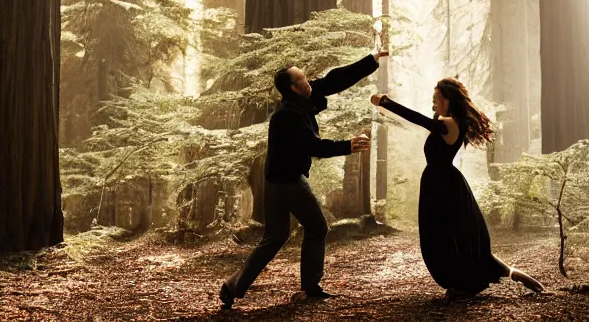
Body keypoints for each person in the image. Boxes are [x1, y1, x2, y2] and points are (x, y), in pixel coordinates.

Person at [219, 50, 388, 309]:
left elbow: (334, 80)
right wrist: (349, 146)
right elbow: (314, 146)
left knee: (274, 237)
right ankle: (310, 286)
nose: (311, 82)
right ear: (294, 88)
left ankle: (233, 287)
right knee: (317, 227)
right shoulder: (288, 116)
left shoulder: (299, 100)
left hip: (277, 183)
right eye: (305, 80)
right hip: (287, 183)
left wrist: (371, 60)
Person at [370, 78, 544, 298]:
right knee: (442, 236)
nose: (433, 105)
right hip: (438, 184)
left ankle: (467, 284)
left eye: (436, 100)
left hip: (444, 187)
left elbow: (418, 119)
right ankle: (490, 278)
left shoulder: (450, 123)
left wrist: (385, 102)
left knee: (448, 236)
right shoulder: (447, 122)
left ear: (446, 99)